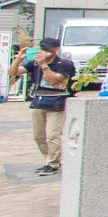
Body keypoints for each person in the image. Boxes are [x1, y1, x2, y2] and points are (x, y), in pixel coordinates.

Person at [26, 36, 74, 174]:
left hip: (56, 102)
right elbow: (13, 72)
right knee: (38, 136)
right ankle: (50, 160)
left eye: (46, 49)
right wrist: (19, 57)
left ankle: (52, 164)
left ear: (55, 50)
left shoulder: (64, 64)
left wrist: (44, 65)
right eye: (41, 48)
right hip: (39, 101)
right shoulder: (34, 63)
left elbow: (53, 80)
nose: (42, 51)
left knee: (53, 135)